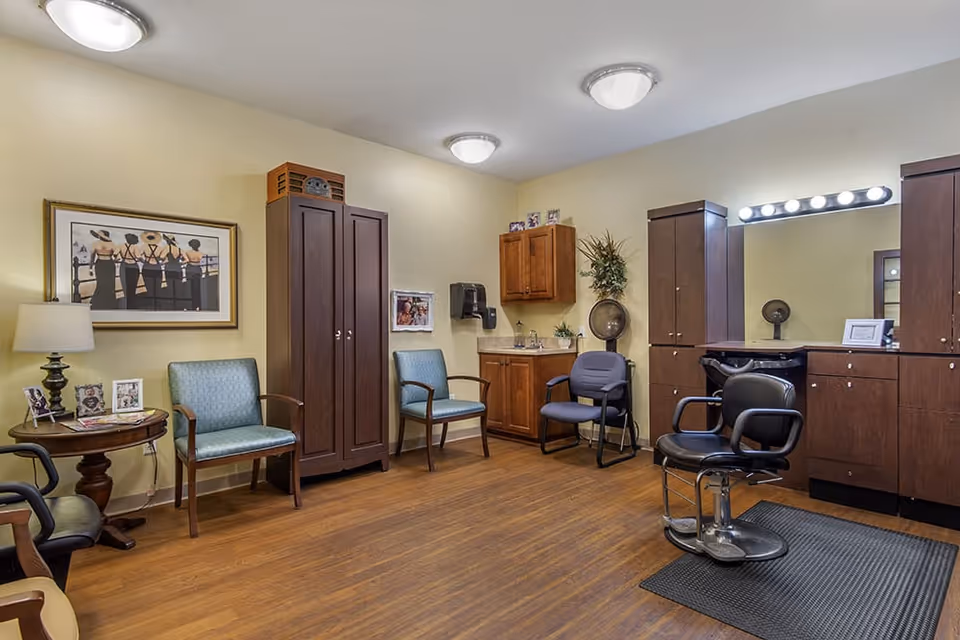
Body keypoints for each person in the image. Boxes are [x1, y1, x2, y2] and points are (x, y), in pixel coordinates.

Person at [88, 229, 118, 309]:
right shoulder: (97, 244)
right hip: (102, 264)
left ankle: (108, 303)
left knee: (109, 284)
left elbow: (117, 256)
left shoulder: (111, 244)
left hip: (108, 265)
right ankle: (99, 302)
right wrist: (90, 268)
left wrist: (90, 268)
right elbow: (92, 257)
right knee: (100, 283)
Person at [118, 233, 142, 309]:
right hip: (133, 266)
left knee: (125, 285)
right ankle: (132, 304)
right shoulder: (135, 247)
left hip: (124, 265)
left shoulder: (121, 246)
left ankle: (126, 303)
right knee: (133, 286)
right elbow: (139, 257)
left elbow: (115, 254)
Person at [162, 234, 185, 310]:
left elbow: (161, 257)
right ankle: (178, 303)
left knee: (170, 286)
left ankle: (172, 304)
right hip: (178, 268)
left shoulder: (167, 248)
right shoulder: (179, 249)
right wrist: (179, 263)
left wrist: (165, 261)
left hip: (169, 268)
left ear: (168, 241)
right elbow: (187, 259)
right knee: (178, 286)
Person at [184, 239, 206, 311]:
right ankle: (197, 305)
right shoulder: (201, 254)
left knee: (189, 289)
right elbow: (203, 263)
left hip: (190, 270)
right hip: (197, 270)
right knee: (197, 289)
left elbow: (185, 260)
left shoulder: (187, 252)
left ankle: (192, 305)